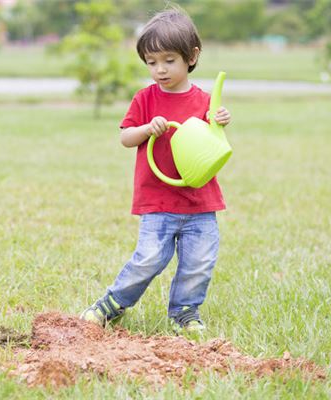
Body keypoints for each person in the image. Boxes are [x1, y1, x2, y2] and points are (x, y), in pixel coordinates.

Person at [80, 8, 232, 334]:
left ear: (192, 57)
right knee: (148, 260)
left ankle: (185, 312)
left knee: (199, 263)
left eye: (168, 60)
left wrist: (219, 121)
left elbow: (214, 146)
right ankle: (111, 304)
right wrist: (148, 128)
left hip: (200, 201)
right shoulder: (145, 98)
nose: (159, 70)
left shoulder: (205, 100)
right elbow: (125, 137)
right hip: (158, 199)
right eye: (151, 62)